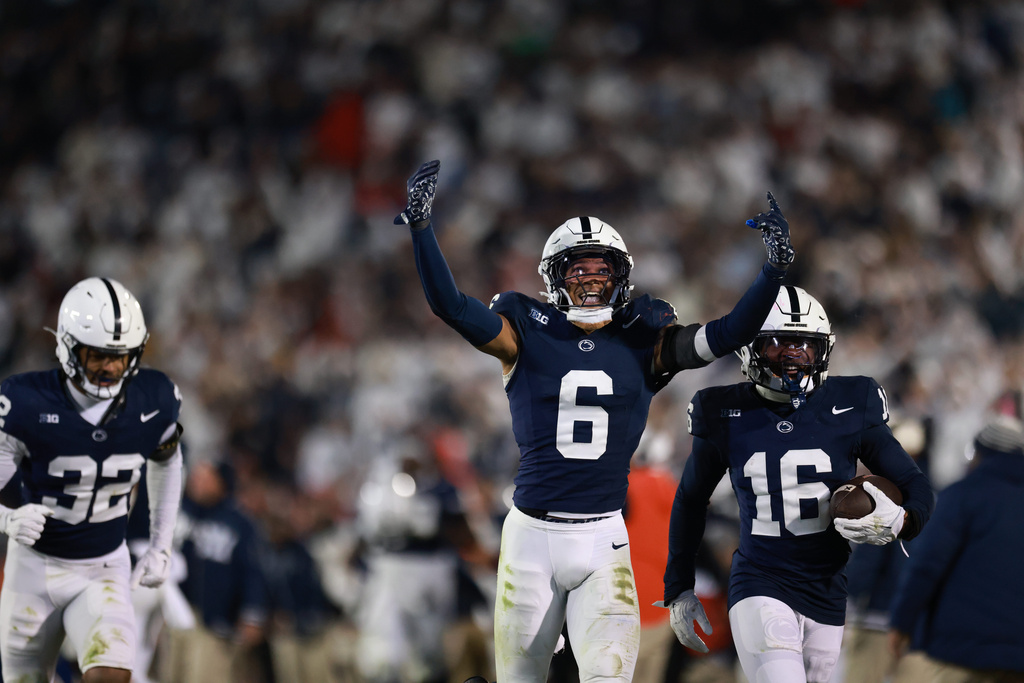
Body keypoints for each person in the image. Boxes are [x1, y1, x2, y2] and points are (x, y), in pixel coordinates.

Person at [395, 158, 796, 683]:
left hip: (604, 537)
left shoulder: (644, 339)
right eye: (578, 270)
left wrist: (773, 271)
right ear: (555, 278)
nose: (590, 281)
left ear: (620, 275)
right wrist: (423, 229)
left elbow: (725, 334)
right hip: (531, 537)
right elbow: (450, 305)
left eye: (601, 270)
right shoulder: (525, 331)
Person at [662, 285, 933, 683]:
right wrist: (679, 585)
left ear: (823, 349)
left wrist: (903, 521)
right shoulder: (723, 410)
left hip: (827, 587)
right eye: (777, 345)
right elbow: (690, 499)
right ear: (750, 349)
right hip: (760, 578)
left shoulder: (851, 402)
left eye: (804, 346)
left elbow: (915, 484)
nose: (792, 357)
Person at [0, 277, 184, 683]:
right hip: (34, 569)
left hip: (103, 565)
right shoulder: (24, 400)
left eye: (122, 355)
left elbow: (168, 462)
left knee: (111, 673)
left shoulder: (152, 399)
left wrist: (161, 545)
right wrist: (5, 517)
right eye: (99, 354)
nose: (112, 367)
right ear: (68, 346)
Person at [887, 416, 1024, 682]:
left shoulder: (963, 496)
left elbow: (928, 565)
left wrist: (902, 622)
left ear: (981, 454)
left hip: (964, 647)